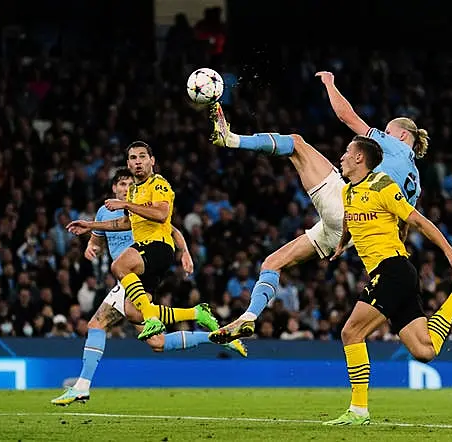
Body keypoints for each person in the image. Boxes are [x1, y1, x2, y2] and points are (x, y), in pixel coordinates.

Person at [207, 69, 428, 344]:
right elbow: (403, 224)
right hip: (352, 231)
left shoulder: (394, 146)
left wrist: (330, 83)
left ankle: (230, 139)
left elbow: (347, 117)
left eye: (386, 132)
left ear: (402, 137)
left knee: (297, 144)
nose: (381, 135)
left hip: (347, 206)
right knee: (273, 263)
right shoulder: (415, 182)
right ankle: (249, 317)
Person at [322, 135, 452, 425]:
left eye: (346, 152)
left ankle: (358, 410)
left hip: (393, 271)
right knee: (424, 351)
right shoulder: (348, 193)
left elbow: (419, 221)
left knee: (350, 333)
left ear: (359, 158)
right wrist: (342, 244)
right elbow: (349, 220)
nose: (341, 156)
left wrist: (450, 253)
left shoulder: (383, 186)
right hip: (394, 276)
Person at [52, 169, 246, 406]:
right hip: (129, 278)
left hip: (136, 270)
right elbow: (98, 235)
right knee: (157, 343)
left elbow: (172, 230)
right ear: (114, 188)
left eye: (128, 183)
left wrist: (185, 252)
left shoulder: (141, 204)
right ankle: (213, 333)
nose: (125, 188)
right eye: (121, 184)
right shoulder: (106, 211)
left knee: (96, 323)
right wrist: (91, 246)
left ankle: (81, 386)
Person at [67, 141, 216, 341]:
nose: (138, 162)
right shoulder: (133, 192)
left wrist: (127, 204)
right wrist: (90, 226)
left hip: (158, 247)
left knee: (118, 266)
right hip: (145, 259)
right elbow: (125, 223)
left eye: (142, 157)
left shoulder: (158, 183)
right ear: (128, 164)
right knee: (134, 313)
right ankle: (197, 313)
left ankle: (153, 320)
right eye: (133, 158)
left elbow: (162, 214)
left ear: (152, 161)